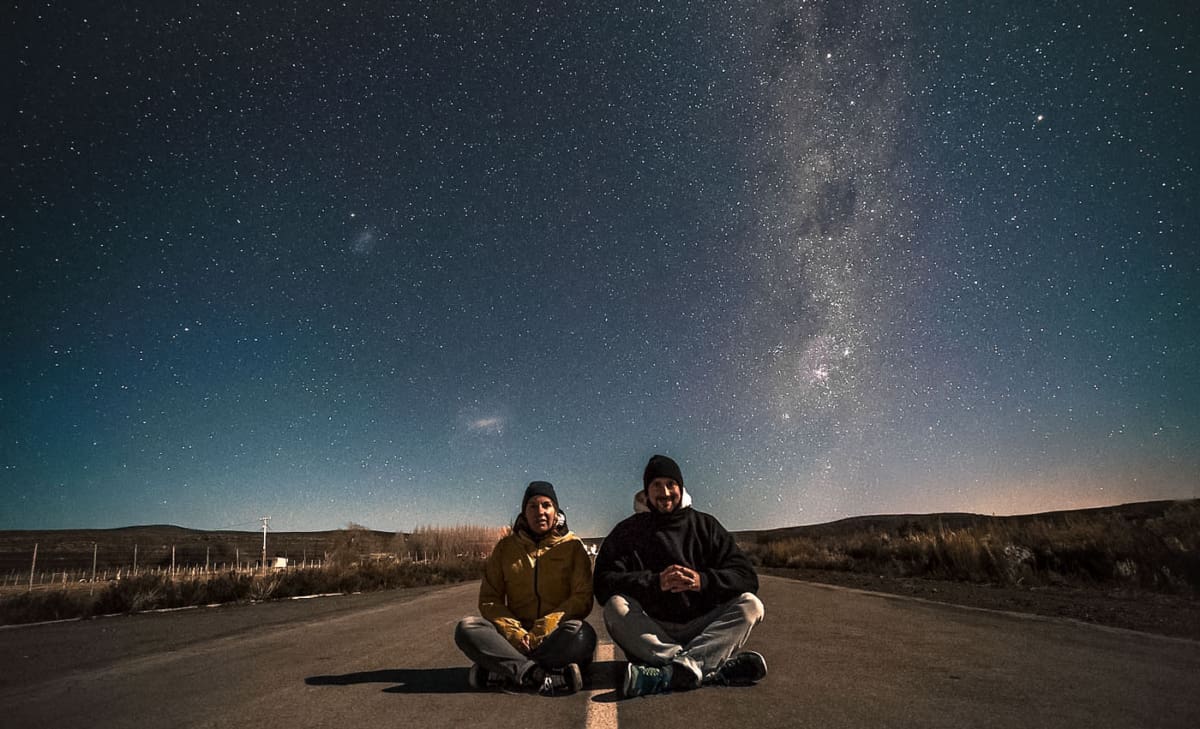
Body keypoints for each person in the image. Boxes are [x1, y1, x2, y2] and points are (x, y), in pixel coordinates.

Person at [594, 454, 766, 698]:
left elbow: (746, 576)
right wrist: (655, 582)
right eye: (656, 485)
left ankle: (670, 672)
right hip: (653, 631)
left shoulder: (706, 526)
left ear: (681, 487)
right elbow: (602, 583)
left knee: (751, 605)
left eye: (670, 484)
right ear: (646, 491)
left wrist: (702, 581)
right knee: (614, 607)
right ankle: (704, 665)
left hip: (701, 626)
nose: (664, 492)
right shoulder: (627, 531)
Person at [455, 481, 597, 695]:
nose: (540, 512)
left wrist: (543, 629)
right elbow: (489, 599)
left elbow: (582, 597)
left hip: (554, 635)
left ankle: (505, 669)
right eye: (532, 506)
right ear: (524, 512)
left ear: (556, 511)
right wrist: (514, 632)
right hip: (514, 637)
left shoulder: (573, 547)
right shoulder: (505, 548)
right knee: (467, 628)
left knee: (582, 634)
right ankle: (541, 673)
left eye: (546, 505)